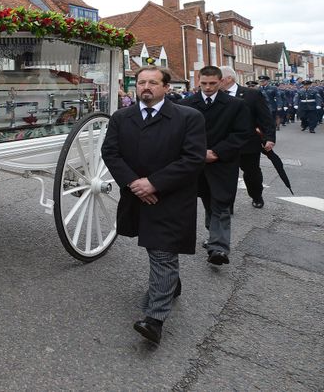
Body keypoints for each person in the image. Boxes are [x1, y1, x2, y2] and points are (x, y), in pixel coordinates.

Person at [101, 66, 206, 345]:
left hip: (171, 198)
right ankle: (171, 283)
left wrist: (155, 183)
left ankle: (154, 320)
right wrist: (136, 183)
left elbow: (192, 158)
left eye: (153, 83)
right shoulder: (122, 118)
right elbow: (110, 152)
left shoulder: (188, 117)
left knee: (161, 251)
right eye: (141, 82)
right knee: (157, 248)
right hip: (137, 195)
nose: (146, 87)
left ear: (166, 87)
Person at [181, 66, 251, 266]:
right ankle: (213, 235)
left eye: (212, 83)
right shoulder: (187, 104)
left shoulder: (236, 105)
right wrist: (198, 152)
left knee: (221, 204)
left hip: (223, 164)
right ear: (198, 81)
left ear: (221, 82)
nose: (208, 87)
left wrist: (217, 152)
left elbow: (241, 133)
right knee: (207, 201)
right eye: (204, 83)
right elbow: (181, 133)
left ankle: (219, 248)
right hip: (196, 163)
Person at [219, 66, 276, 209]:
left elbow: (265, 118)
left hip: (248, 143)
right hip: (223, 143)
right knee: (226, 175)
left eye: (218, 79)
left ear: (228, 79)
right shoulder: (215, 95)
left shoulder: (252, 94)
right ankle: (227, 204)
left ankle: (256, 195)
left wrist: (269, 138)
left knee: (252, 173)